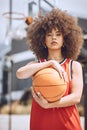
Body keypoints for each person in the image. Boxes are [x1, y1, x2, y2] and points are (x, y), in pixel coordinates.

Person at [16, 8, 84, 130]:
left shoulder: (74, 66)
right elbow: (19, 74)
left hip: (68, 125)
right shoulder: (37, 65)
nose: (54, 38)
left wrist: (50, 105)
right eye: (49, 34)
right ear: (43, 39)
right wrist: (50, 63)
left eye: (58, 34)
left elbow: (76, 97)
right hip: (41, 125)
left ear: (65, 40)